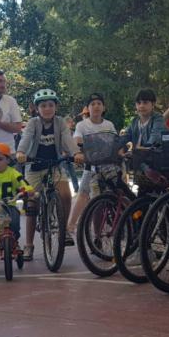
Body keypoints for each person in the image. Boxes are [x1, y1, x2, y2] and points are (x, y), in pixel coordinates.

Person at [16, 89, 83, 261]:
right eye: (43, 105)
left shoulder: (60, 123)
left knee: (66, 195)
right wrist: (21, 152)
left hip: (55, 165)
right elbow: (26, 138)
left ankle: (64, 230)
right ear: (37, 108)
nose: (47, 109)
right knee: (32, 204)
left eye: (51, 105)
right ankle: (29, 245)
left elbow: (68, 140)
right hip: (34, 167)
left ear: (56, 107)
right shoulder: (32, 123)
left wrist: (75, 153)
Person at [66, 93, 117, 245]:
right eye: (92, 104)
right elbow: (77, 140)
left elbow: (115, 142)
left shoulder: (109, 125)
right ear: (88, 108)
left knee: (116, 194)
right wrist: (79, 149)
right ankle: (71, 227)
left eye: (99, 103)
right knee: (84, 195)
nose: (96, 106)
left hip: (108, 166)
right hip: (92, 167)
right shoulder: (83, 125)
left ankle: (119, 227)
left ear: (104, 107)